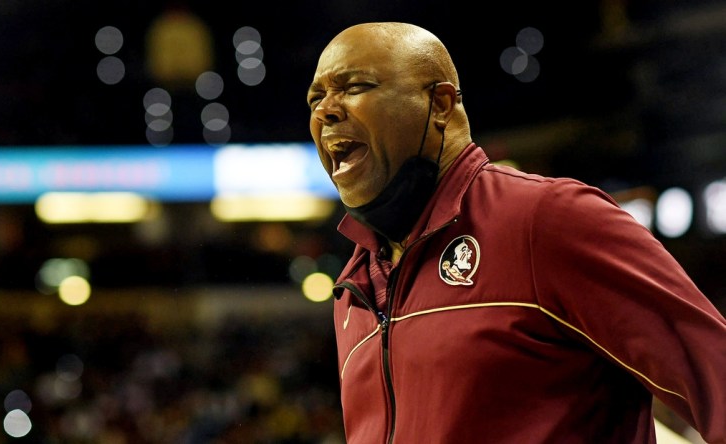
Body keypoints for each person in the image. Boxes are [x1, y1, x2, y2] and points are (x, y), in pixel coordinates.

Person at [306, 22, 726, 443]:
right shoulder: (353, 290)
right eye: (316, 98)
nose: (326, 110)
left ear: (440, 104)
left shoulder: (546, 219)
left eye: (355, 86)